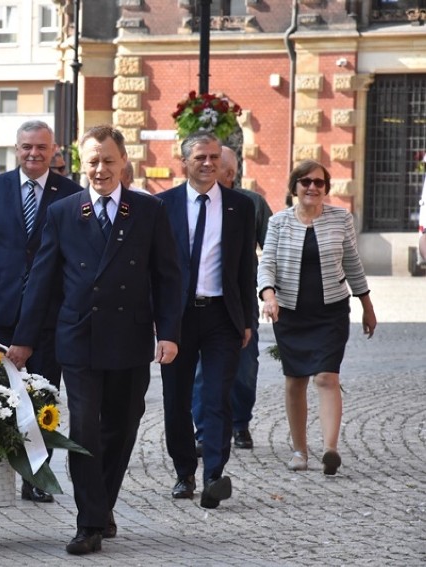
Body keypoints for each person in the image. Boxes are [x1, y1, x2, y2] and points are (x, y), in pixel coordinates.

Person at [6, 125, 182, 555]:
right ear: (82, 165)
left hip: (131, 336)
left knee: (121, 429)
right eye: (92, 161)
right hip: (79, 337)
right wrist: (24, 340)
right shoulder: (64, 212)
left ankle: (102, 506)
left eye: (107, 160)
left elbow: (167, 277)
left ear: (123, 162)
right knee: (84, 429)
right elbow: (42, 279)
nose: (100, 169)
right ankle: (89, 522)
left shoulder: (149, 211)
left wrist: (170, 333)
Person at [0, 119, 83, 503]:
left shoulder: (71, 193)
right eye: (26, 147)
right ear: (16, 149)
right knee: (0, 394)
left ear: (54, 151)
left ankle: (37, 474)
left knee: (44, 394)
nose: (34, 153)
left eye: (41, 147)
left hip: (51, 312)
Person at [156, 131, 257, 509]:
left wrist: (246, 318)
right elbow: (155, 270)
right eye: (200, 156)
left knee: (217, 396)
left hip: (221, 315)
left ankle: (214, 474)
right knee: (176, 399)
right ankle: (184, 471)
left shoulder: (239, 207)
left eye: (215, 157)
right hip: (177, 318)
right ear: (184, 162)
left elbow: (246, 266)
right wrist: (157, 322)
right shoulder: (161, 205)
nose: (208, 163)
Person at [259, 159, 377, 475]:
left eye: (319, 182)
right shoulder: (279, 222)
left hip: (331, 311)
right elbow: (266, 263)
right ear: (295, 187)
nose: (313, 187)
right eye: (306, 182)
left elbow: (352, 263)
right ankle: (300, 451)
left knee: (326, 376)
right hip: (291, 313)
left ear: (326, 188)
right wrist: (268, 296)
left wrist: (367, 305)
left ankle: (330, 449)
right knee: (295, 380)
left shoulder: (341, 219)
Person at [192, 146, 273, 453]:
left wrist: (270, 291)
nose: (211, 169)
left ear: (230, 173)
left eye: (221, 167)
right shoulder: (190, 202)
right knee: (201, 370)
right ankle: (203, 432)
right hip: (201, 302)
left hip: (240, 302)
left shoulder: (250, 203)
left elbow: (272, 249)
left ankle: (240, 423)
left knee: (244, 366)